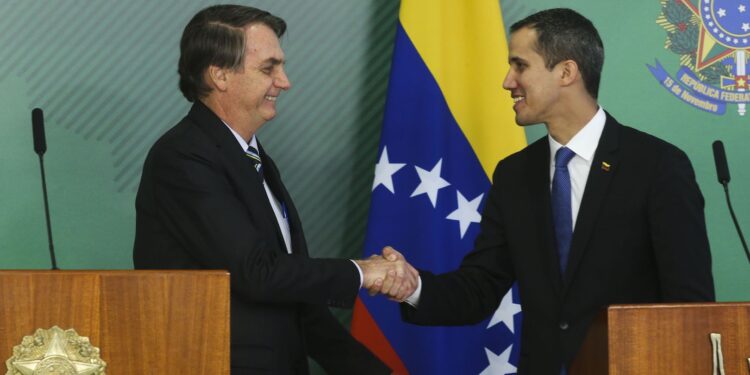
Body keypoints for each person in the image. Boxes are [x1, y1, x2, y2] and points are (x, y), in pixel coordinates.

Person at [371, 8, 715, 375]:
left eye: (520, 65)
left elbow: (690, 309)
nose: (507, 81)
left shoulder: (657, 166)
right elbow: (481, 287)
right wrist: (414, 287)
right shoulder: (514, 174)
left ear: (566, 72)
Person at [133, 5, 416, 374]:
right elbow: (257, 272)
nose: (284, 81)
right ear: (219, 75)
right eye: (269, 68)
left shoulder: (252, 157)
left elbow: (298, 304)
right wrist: (363, 272)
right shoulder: (183, 157)